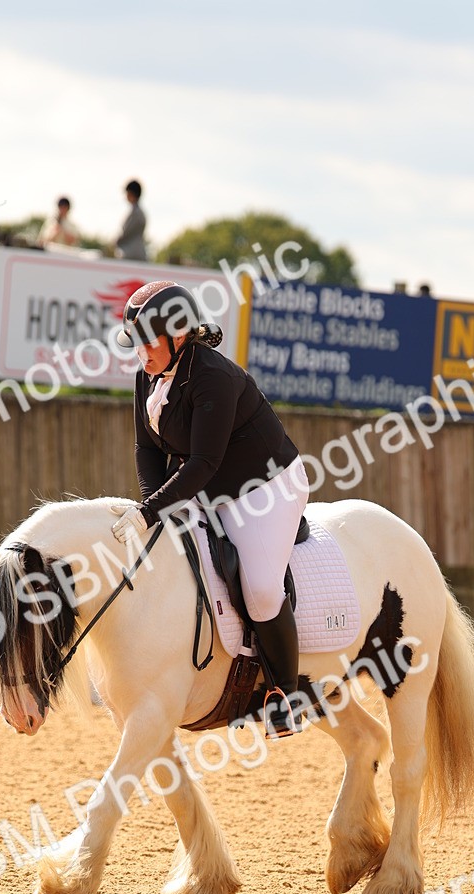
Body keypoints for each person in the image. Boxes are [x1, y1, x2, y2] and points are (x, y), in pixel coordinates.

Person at [110, 281, 310, 737]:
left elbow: (203, 461)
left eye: (147, 342)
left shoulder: (213, 377)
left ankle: (286, 696)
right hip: (209, 487)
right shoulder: (149, 374)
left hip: (265, 489)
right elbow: (146, 449)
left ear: (179, 336)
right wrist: (153, 505)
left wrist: (150, 512)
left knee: (260, 589)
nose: (140, 353)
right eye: (136, 343)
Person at [115, 179, 147, 261]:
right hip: (133, 254)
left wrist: (115, 242)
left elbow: (127, 233)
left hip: (132, 255)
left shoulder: (137, 214)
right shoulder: (137, 212)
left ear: (131, 193)